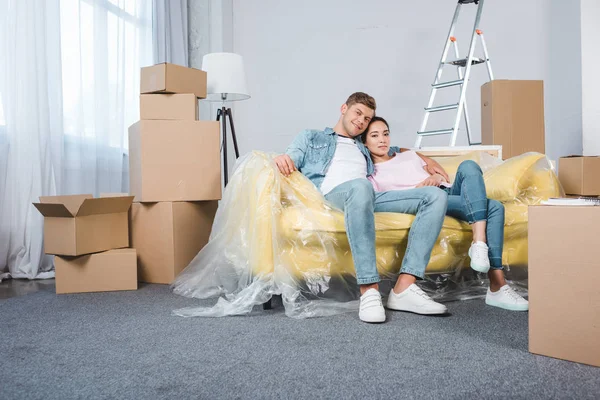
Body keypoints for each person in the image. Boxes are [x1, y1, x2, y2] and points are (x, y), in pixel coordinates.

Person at [273, 92, 451, 323]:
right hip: (331, 196)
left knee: (434, 196)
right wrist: (279, 159)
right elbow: (290, 158)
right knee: (360, 186)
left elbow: (397, 149)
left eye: (367, 119)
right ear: (343, 108)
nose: (361, 121)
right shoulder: (312, 137)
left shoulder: (363, 145)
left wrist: (429, 162)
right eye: (358, 113)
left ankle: (404, 289)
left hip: (368, 196)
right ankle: (369, 290)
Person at [362, 116, 529, 311]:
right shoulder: (371, 172)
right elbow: (388, 200)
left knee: (469, 166)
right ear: (364, 141)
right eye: (374, 136)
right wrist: (419, 190)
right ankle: (497, 284)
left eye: (385, 134)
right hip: (434, 200)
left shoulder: (407, 155)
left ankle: (479, 243)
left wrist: (435, 176)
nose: (382, 139)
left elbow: (441, 175)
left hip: (448, 189)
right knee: (494, 207)